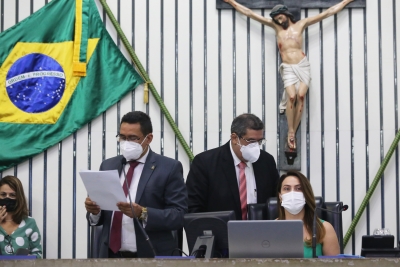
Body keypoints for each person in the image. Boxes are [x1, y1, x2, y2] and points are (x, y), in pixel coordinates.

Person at [223, 0, 354, 151]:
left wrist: (346, 1)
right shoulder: (276, 28)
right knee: (291, 96)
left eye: (280, 17)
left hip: (302, 65)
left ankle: (292, 131)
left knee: (301, 96)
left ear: (286, 14)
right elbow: (250, 13)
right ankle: (291, 130)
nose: (279, 20)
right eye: (276, 19)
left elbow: (328, 12)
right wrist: (231, 2)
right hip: (288, 67)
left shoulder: (301, 24)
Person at [84, 111, 187, 258]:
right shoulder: (108, 165)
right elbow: (99, 217)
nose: (126, 143)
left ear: (148, 138)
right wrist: (95, 211)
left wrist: (143, 213)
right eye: (122, 137)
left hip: (150, 256)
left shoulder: (169, 168)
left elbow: (179, 215)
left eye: (132, 138)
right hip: (110, 256)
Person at [186, 113, 279, 220]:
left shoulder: (266, 161)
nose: (256, 147)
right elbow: (193, 207)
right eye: (251, 141)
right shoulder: (205, 163)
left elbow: (275, 201)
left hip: (261, 234)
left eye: (259, 141)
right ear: (235, 138)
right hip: (221, 233)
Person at [277, 171, 339, 257]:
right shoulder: (270, 229)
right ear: (280, 196)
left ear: (306, 194)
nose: (292, 194)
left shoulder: (324, 229)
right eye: (287, 189)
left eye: (298, 188)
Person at [0, 175, 42, 258]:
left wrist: (27, 259)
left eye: (12, 195)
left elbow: (38, 254)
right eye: (3, 194)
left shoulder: (30, 223)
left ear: (19, 197)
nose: (7, 198)